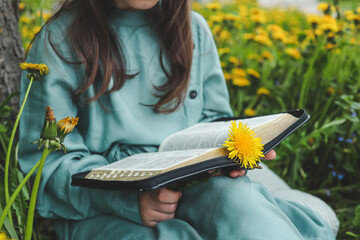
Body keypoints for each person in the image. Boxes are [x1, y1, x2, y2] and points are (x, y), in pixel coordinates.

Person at [19, 0, 336, 239]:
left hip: (196, 182)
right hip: (101, 206)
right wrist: (129, 201)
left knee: (235, 201)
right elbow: (45, 166)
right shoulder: (58, 42)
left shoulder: (193, 29)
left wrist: (234, 156)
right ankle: (300, 217)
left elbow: (215, 119)